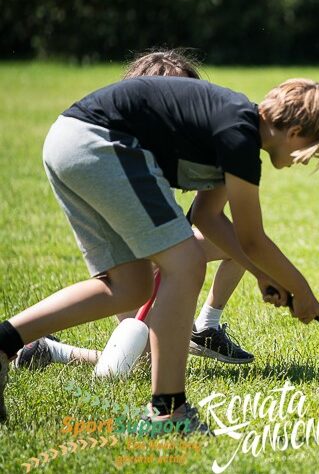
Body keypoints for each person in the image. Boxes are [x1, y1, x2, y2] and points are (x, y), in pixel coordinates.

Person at [0, 74, 319, 432]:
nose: (306, 162)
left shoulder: (236, 130)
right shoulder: (239, 135)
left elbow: (208, 218)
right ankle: (168, 410)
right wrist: (303, 292)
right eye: (313, 152)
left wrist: (262, 275)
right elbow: (252, 238)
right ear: (295, 132)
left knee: (130, 287)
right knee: (186, 263)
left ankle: (5, 341)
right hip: (99, 142)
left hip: (68, 142)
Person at [16, 50, 255, 368]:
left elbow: (204, 213)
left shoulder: (181, 142)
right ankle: (49, 350)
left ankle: (206, 327)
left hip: (160, 253)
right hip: (129, 265)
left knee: (239, 243)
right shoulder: (115, 154)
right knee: (145, 360)